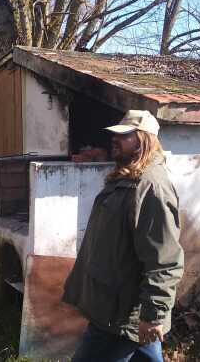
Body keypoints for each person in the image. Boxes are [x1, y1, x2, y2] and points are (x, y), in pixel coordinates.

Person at [62, 110, 184, 362]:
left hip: (120, 314)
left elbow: (164, 259)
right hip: (114, 305)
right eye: (115, 135)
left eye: (124, 135)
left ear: (144, 140)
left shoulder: (151, 187)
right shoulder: (126, 179)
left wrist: (153, 316)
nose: (114, 139)